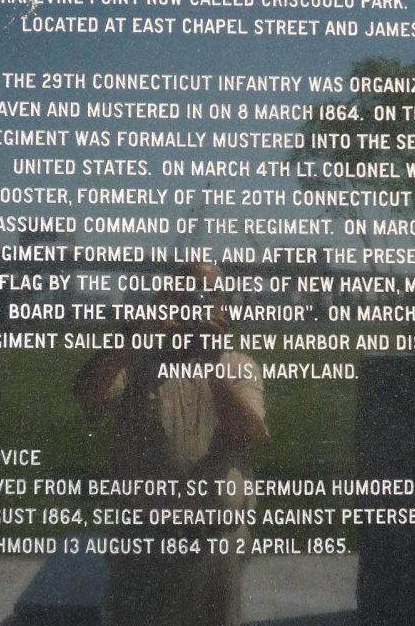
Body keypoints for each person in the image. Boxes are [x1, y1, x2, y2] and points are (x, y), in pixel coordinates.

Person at [74, 262, 269, 626]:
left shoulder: (239, 366)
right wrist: (134, 331)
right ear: (167, 300)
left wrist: (215, 370)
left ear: (223, 305)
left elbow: (249, 435)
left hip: (217, 545)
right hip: (144, 545)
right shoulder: (136, 363)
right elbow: (86, 395)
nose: (197, 304)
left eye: (208, 294)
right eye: (187, 293)